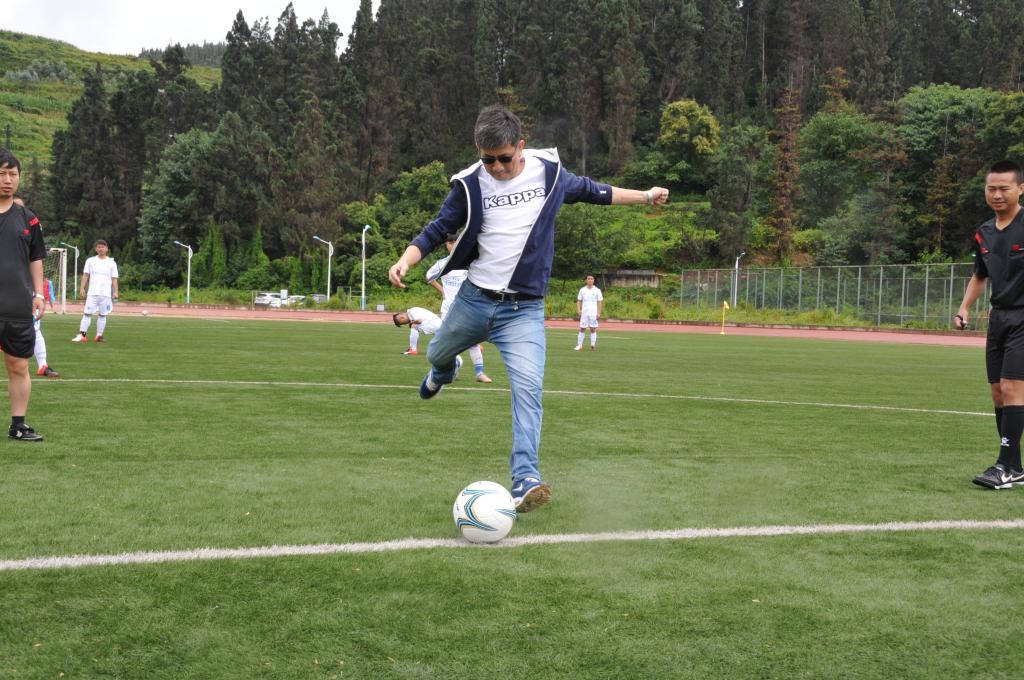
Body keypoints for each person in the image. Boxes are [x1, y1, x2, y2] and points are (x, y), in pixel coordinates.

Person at [388, 105, 669, 512]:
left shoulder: (548, 173)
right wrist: (405, 261)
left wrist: (644, 196)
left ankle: (525, 478)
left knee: (528, 389)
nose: (497, 167)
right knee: (436, 354)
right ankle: (445, 372)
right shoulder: (470, 184)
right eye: (488, 160)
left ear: (520, 146)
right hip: (474, 300)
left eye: (504, 158)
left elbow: (595, 192)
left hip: (523, 311)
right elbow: (436, 230)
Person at [956, 160, 1024, 489]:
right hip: (998, 318)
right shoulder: (983, 232)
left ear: (1020, 189)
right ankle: (1016, 467)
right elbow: (980, 275)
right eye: (991, 189)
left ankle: (1003, 466)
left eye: (1004, 189)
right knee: (998, 393)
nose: (997, 194)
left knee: (1012, 388)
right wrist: (964, 307)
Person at [0, 149, 47, 441]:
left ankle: (18, 425)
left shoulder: (28, 219)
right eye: (2, 174)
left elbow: (36, 258)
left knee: (18, 365)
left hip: (17, 305)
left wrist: (39, 294)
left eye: (13, 174)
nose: (7, 180)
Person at [426, 233, 493, 383]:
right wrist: (442, 290)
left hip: (467, 308)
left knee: (473, 341)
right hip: (448, 309)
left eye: (455, 242)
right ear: (446, 245)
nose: (452, 245)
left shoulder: (469, 261)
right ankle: (452, 371)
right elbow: (429, 277)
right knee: (448, 342)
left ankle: (480, 373)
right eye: (449, 243)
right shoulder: (442, 264)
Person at [12, 198, 59, 379]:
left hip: (25, 287)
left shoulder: (31, 226)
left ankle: (43, 365)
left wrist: (39, 293)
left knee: (35, 327)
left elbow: (36, 259)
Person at [73, 239, 119, 343]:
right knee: (87, 313)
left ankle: (99, 336)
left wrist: (116, 291)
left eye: (102, 247)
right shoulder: (90, 261)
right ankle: (82, 335)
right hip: (92, 293)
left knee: (103, 315)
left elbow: (114, 278)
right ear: (96, 249)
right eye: (98, 247)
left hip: (105, 294)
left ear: (107, 249)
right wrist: (82, 288)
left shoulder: (112, 262)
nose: (100, 249)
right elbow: (86, 275)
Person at [574, 274, 604, 351]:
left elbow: (599, 302)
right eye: (588, 279)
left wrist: (599, 313)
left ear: (593, 280)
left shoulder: (597, 290)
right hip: (584, 313)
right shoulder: (582, 290)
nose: (590, 280)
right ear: (586, 280)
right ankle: (579, 345)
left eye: (591, 279)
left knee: (593, 329)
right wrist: (579, 310)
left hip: (593, 313)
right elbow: (579, 300)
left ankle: (592, 345)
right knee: (582, 328)